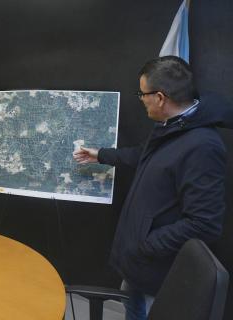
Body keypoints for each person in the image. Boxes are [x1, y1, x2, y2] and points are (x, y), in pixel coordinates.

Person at [73, 56, 230, 320]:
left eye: (142, 94)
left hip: (155, 267)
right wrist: (100, 155)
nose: (141, 99)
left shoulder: (202, 146)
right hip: (139, 263)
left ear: (159, 97)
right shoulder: (175, 126)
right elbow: (144, 155)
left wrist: (146, 245)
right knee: (131, 302)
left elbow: (205, 223)